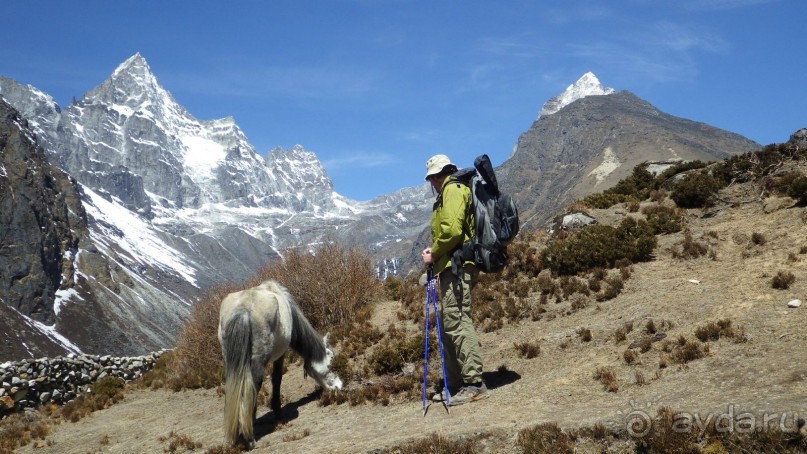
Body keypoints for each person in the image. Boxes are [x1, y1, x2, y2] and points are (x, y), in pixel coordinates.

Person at [421, 154, 488, 406]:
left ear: (439, 175)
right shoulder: (453, 190)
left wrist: (434, 253)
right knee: (450, 323)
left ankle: (474, 384)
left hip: (457, 266)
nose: (432, 184)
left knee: (457, 320)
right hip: (452, 266)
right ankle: (456, 383)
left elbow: (451, 231)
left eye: (432, 178)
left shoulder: (452, 190)